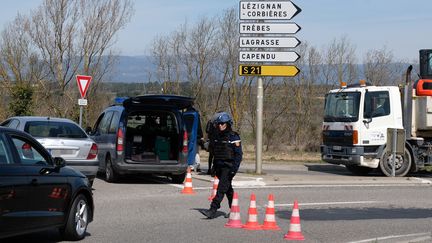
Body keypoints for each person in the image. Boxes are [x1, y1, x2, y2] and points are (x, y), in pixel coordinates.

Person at [200, 112, 242, 219]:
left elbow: (238, 155)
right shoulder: (216, 137)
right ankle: (234, 209)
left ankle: (213, 209)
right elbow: (214, 153)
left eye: (223, 123)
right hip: (219, 166)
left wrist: (234, 169)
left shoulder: (234, 137)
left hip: (229, 167)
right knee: (227, 188)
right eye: (219, 123)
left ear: (228, 124)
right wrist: (214, 167)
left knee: (221, 189)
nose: (221, 125)